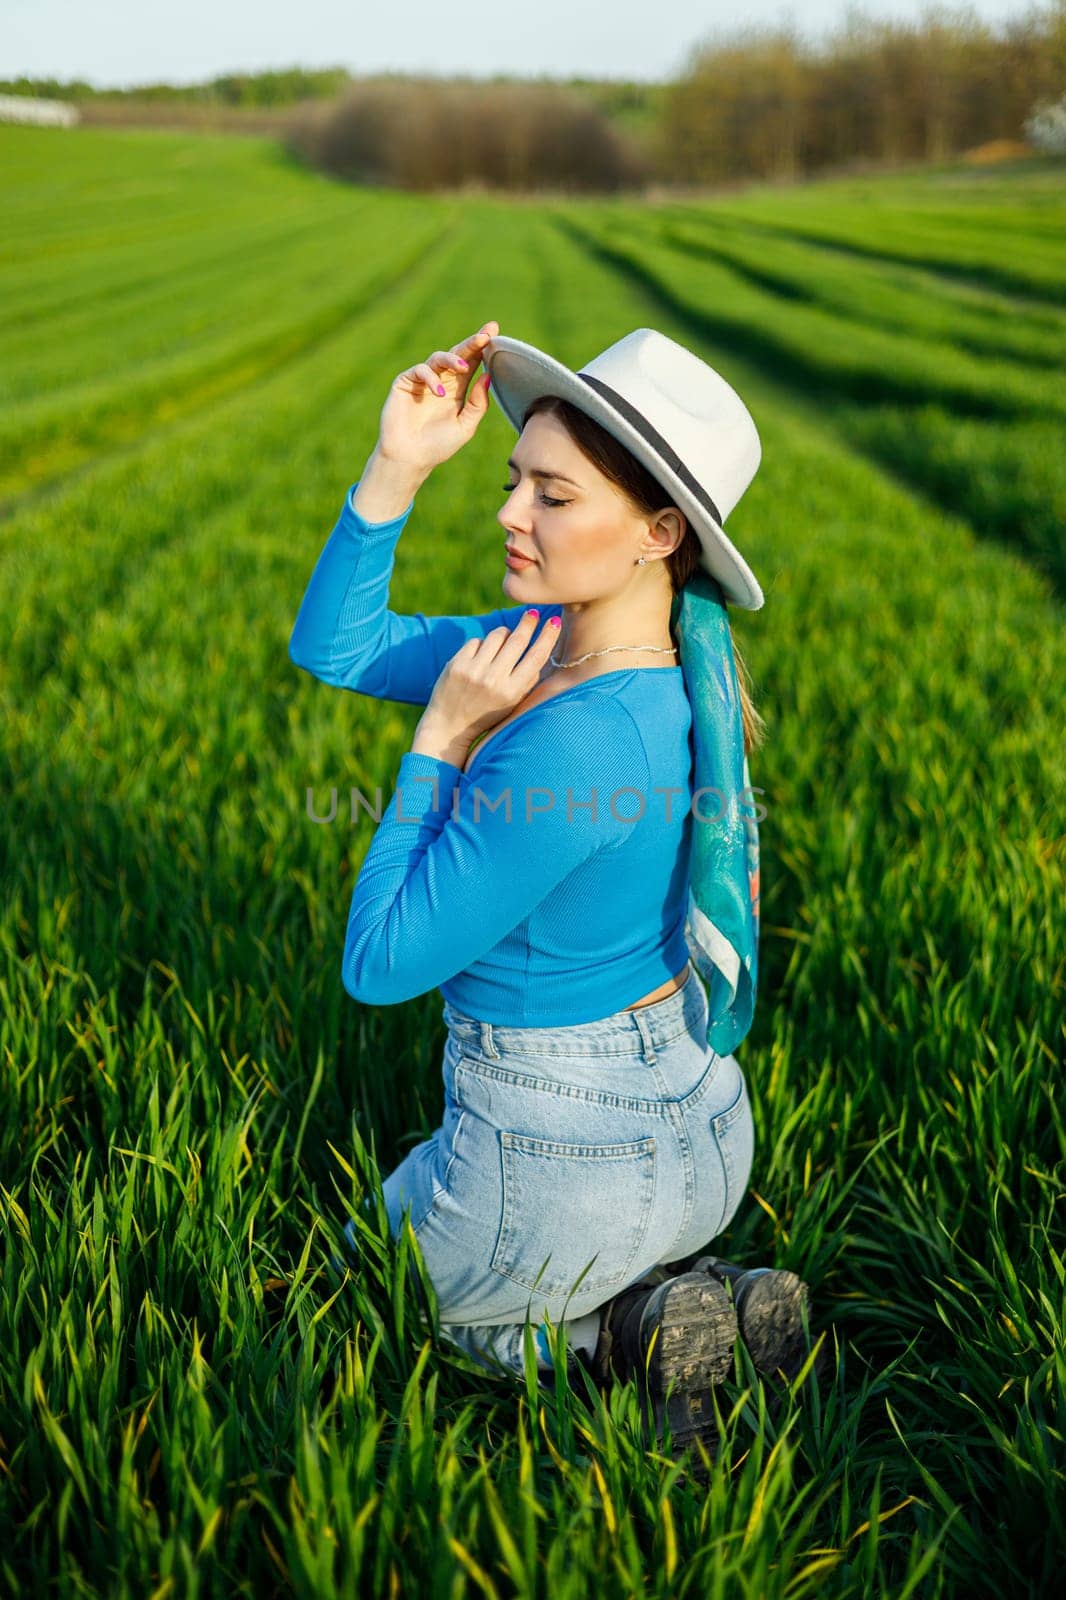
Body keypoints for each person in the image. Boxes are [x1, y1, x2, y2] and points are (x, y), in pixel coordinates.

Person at [289, 319, 814, 1465]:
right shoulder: (573, 655)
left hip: (557, 1160)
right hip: (700, 1125)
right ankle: (687, 1291)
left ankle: (616, 1333)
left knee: (351, 1280)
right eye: (512, 480)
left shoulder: (571, 739)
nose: (508, 514)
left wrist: (439, 739)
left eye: (554, 496)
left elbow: (378, 962)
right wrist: (396, 466)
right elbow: (338, 646)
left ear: (657, 533)